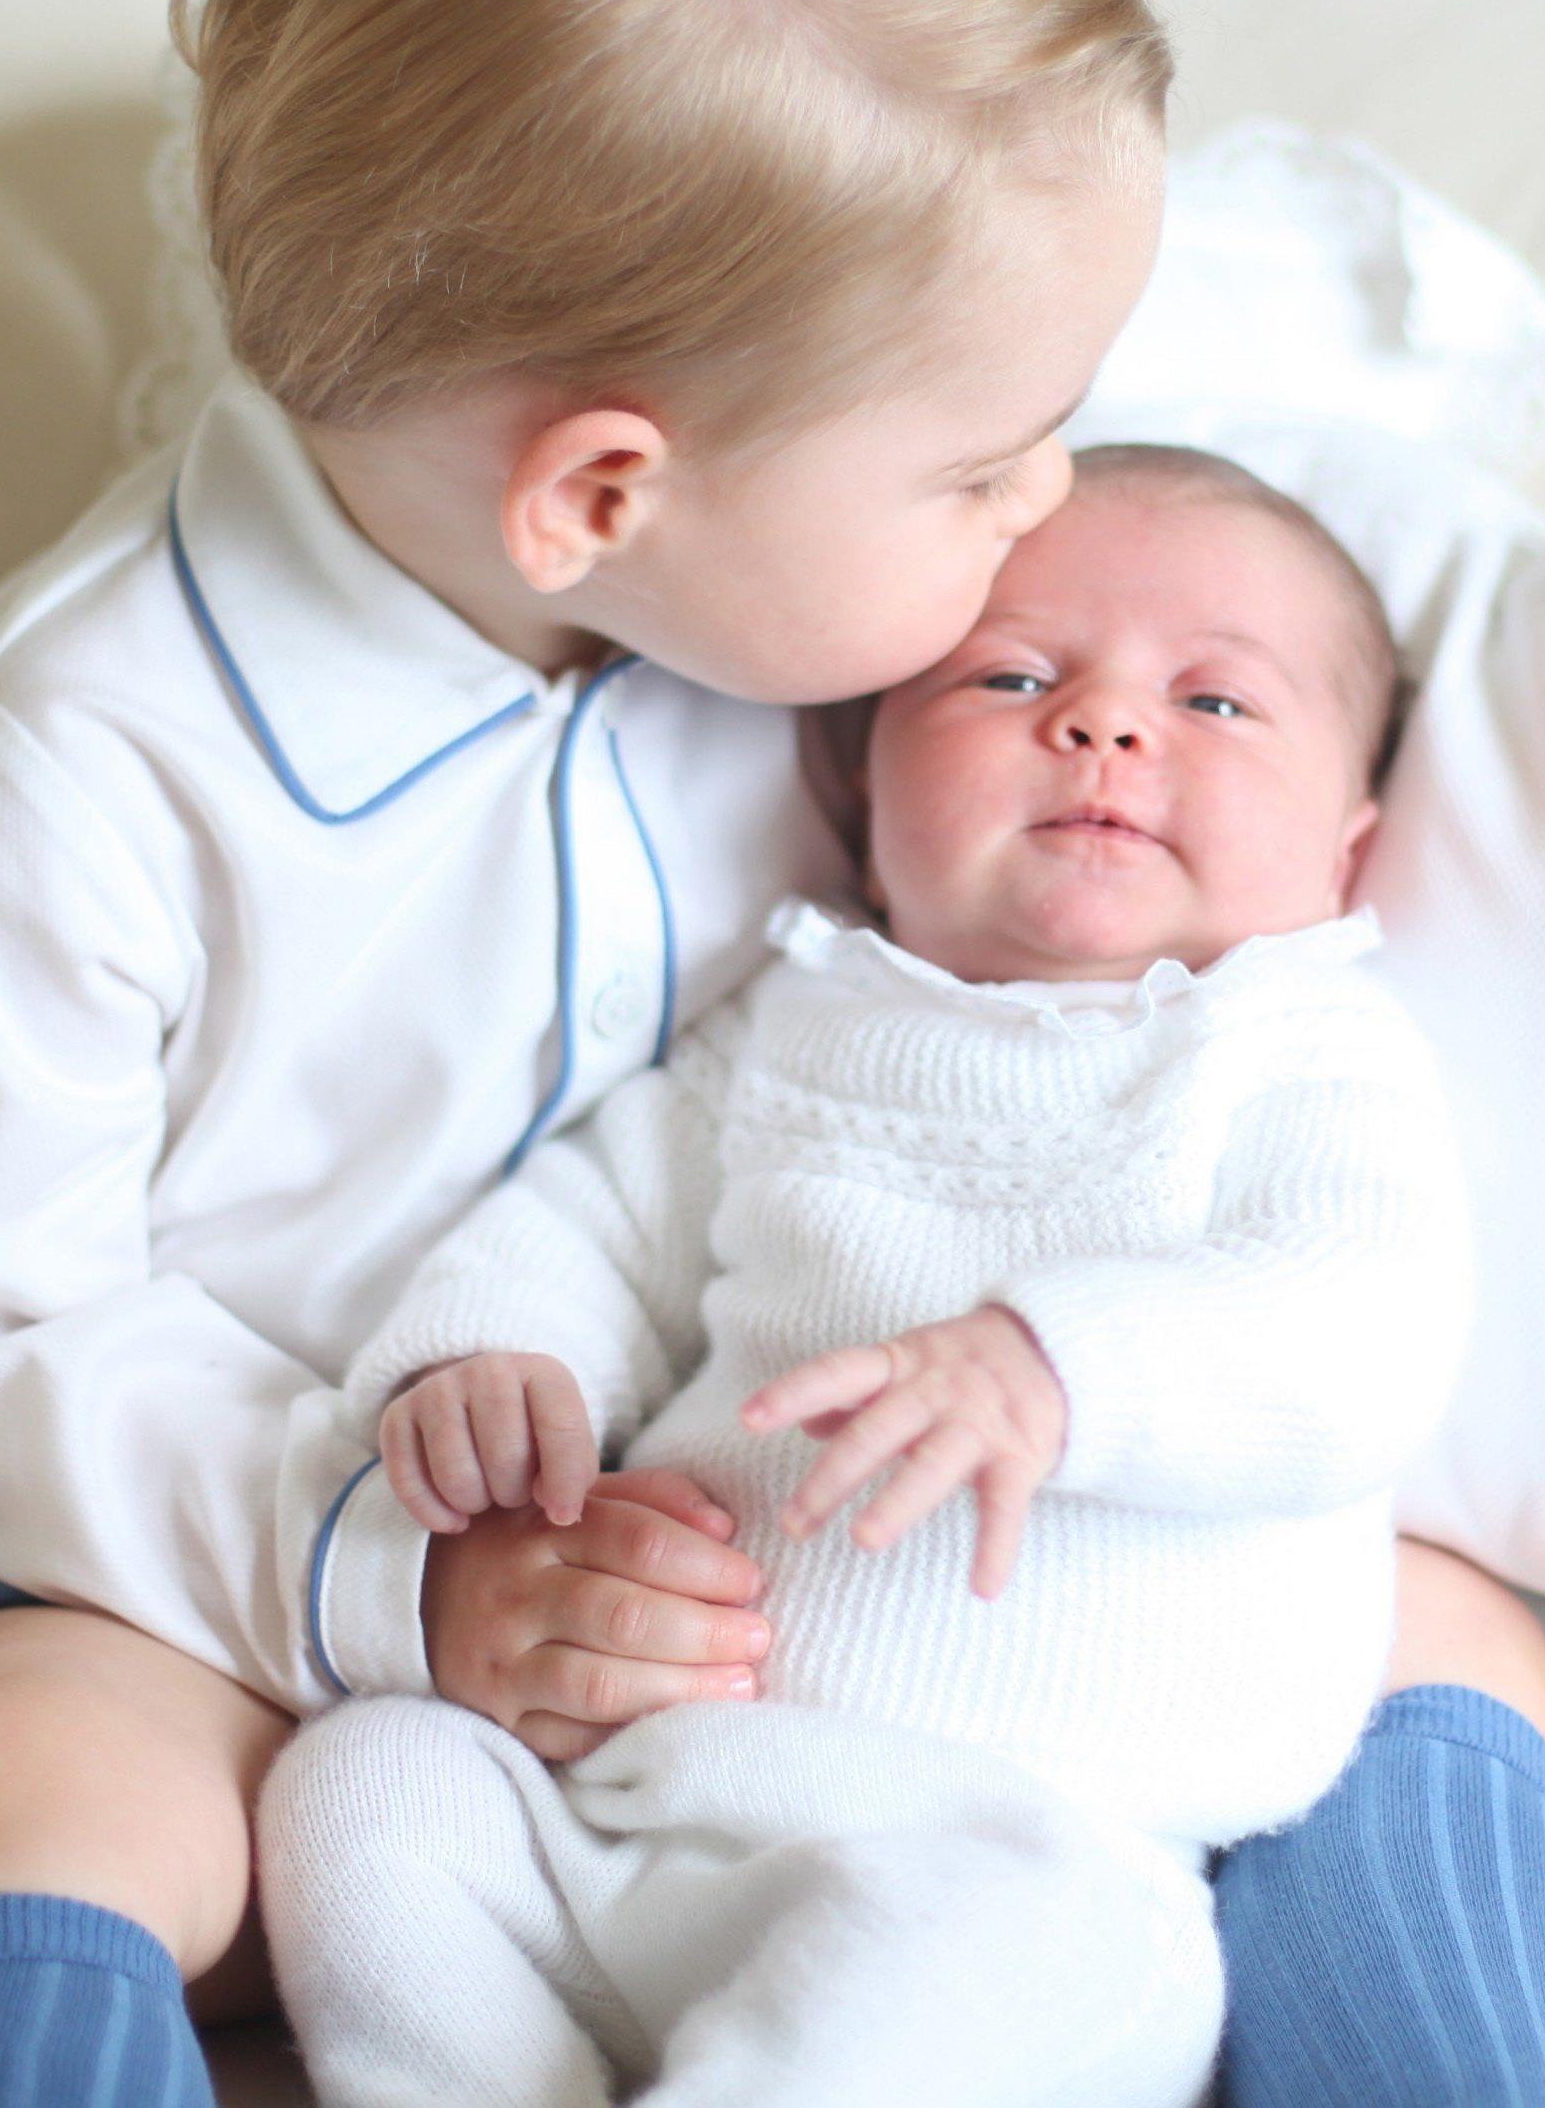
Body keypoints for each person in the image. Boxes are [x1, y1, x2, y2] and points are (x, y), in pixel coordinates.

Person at [0, 0, 1545, 2108]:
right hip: (247, 1570)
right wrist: (395, 1574)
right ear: (602, 495)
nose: (1039, 499)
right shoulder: (91, 751)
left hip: (840, 1569)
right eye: (981, 464)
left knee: (1440, 1620)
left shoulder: (815, 594)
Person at [261, 446, 1468, 2107]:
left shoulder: (1299, 1048)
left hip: (1026, 1854)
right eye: (1014, 675)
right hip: (637, 1802)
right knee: (370, 1784)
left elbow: (1366, 1329)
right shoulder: (802, 1016)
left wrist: (1059, 1365)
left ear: (1346, 847)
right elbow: (601, 1215)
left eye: (1219, 703)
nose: (1106, 726)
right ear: (862, 778)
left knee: (977, 1971)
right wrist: (487, 1357)